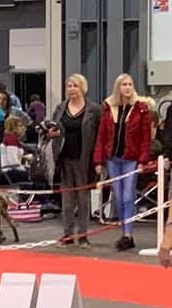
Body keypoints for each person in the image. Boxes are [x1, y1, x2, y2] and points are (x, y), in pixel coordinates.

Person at [93, 73, 153, 251]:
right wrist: (98, 160)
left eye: (130, 84)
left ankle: (128, 234)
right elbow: (101, 136)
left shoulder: (142, 109)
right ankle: (124, 232)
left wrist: (143, 160)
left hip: (131, 160)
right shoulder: (108, 108)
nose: (127, 87)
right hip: (112, 159)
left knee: (128, 196)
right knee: (118, 197)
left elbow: (145, 138)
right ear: (118, 87)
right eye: (124, 84)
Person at [47, 74, 102, 248]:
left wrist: (98, 160)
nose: (71, 89)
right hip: (64, 159)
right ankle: (68, 234)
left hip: (83, 159)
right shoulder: (60, 108)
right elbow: (53, 128)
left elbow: (100, 135)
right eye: (69, 86)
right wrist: (51, 133)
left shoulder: (94, 109)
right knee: (67, 200)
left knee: (83, 199)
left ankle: (84, 235)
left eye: (75, 86)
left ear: (83, 88)